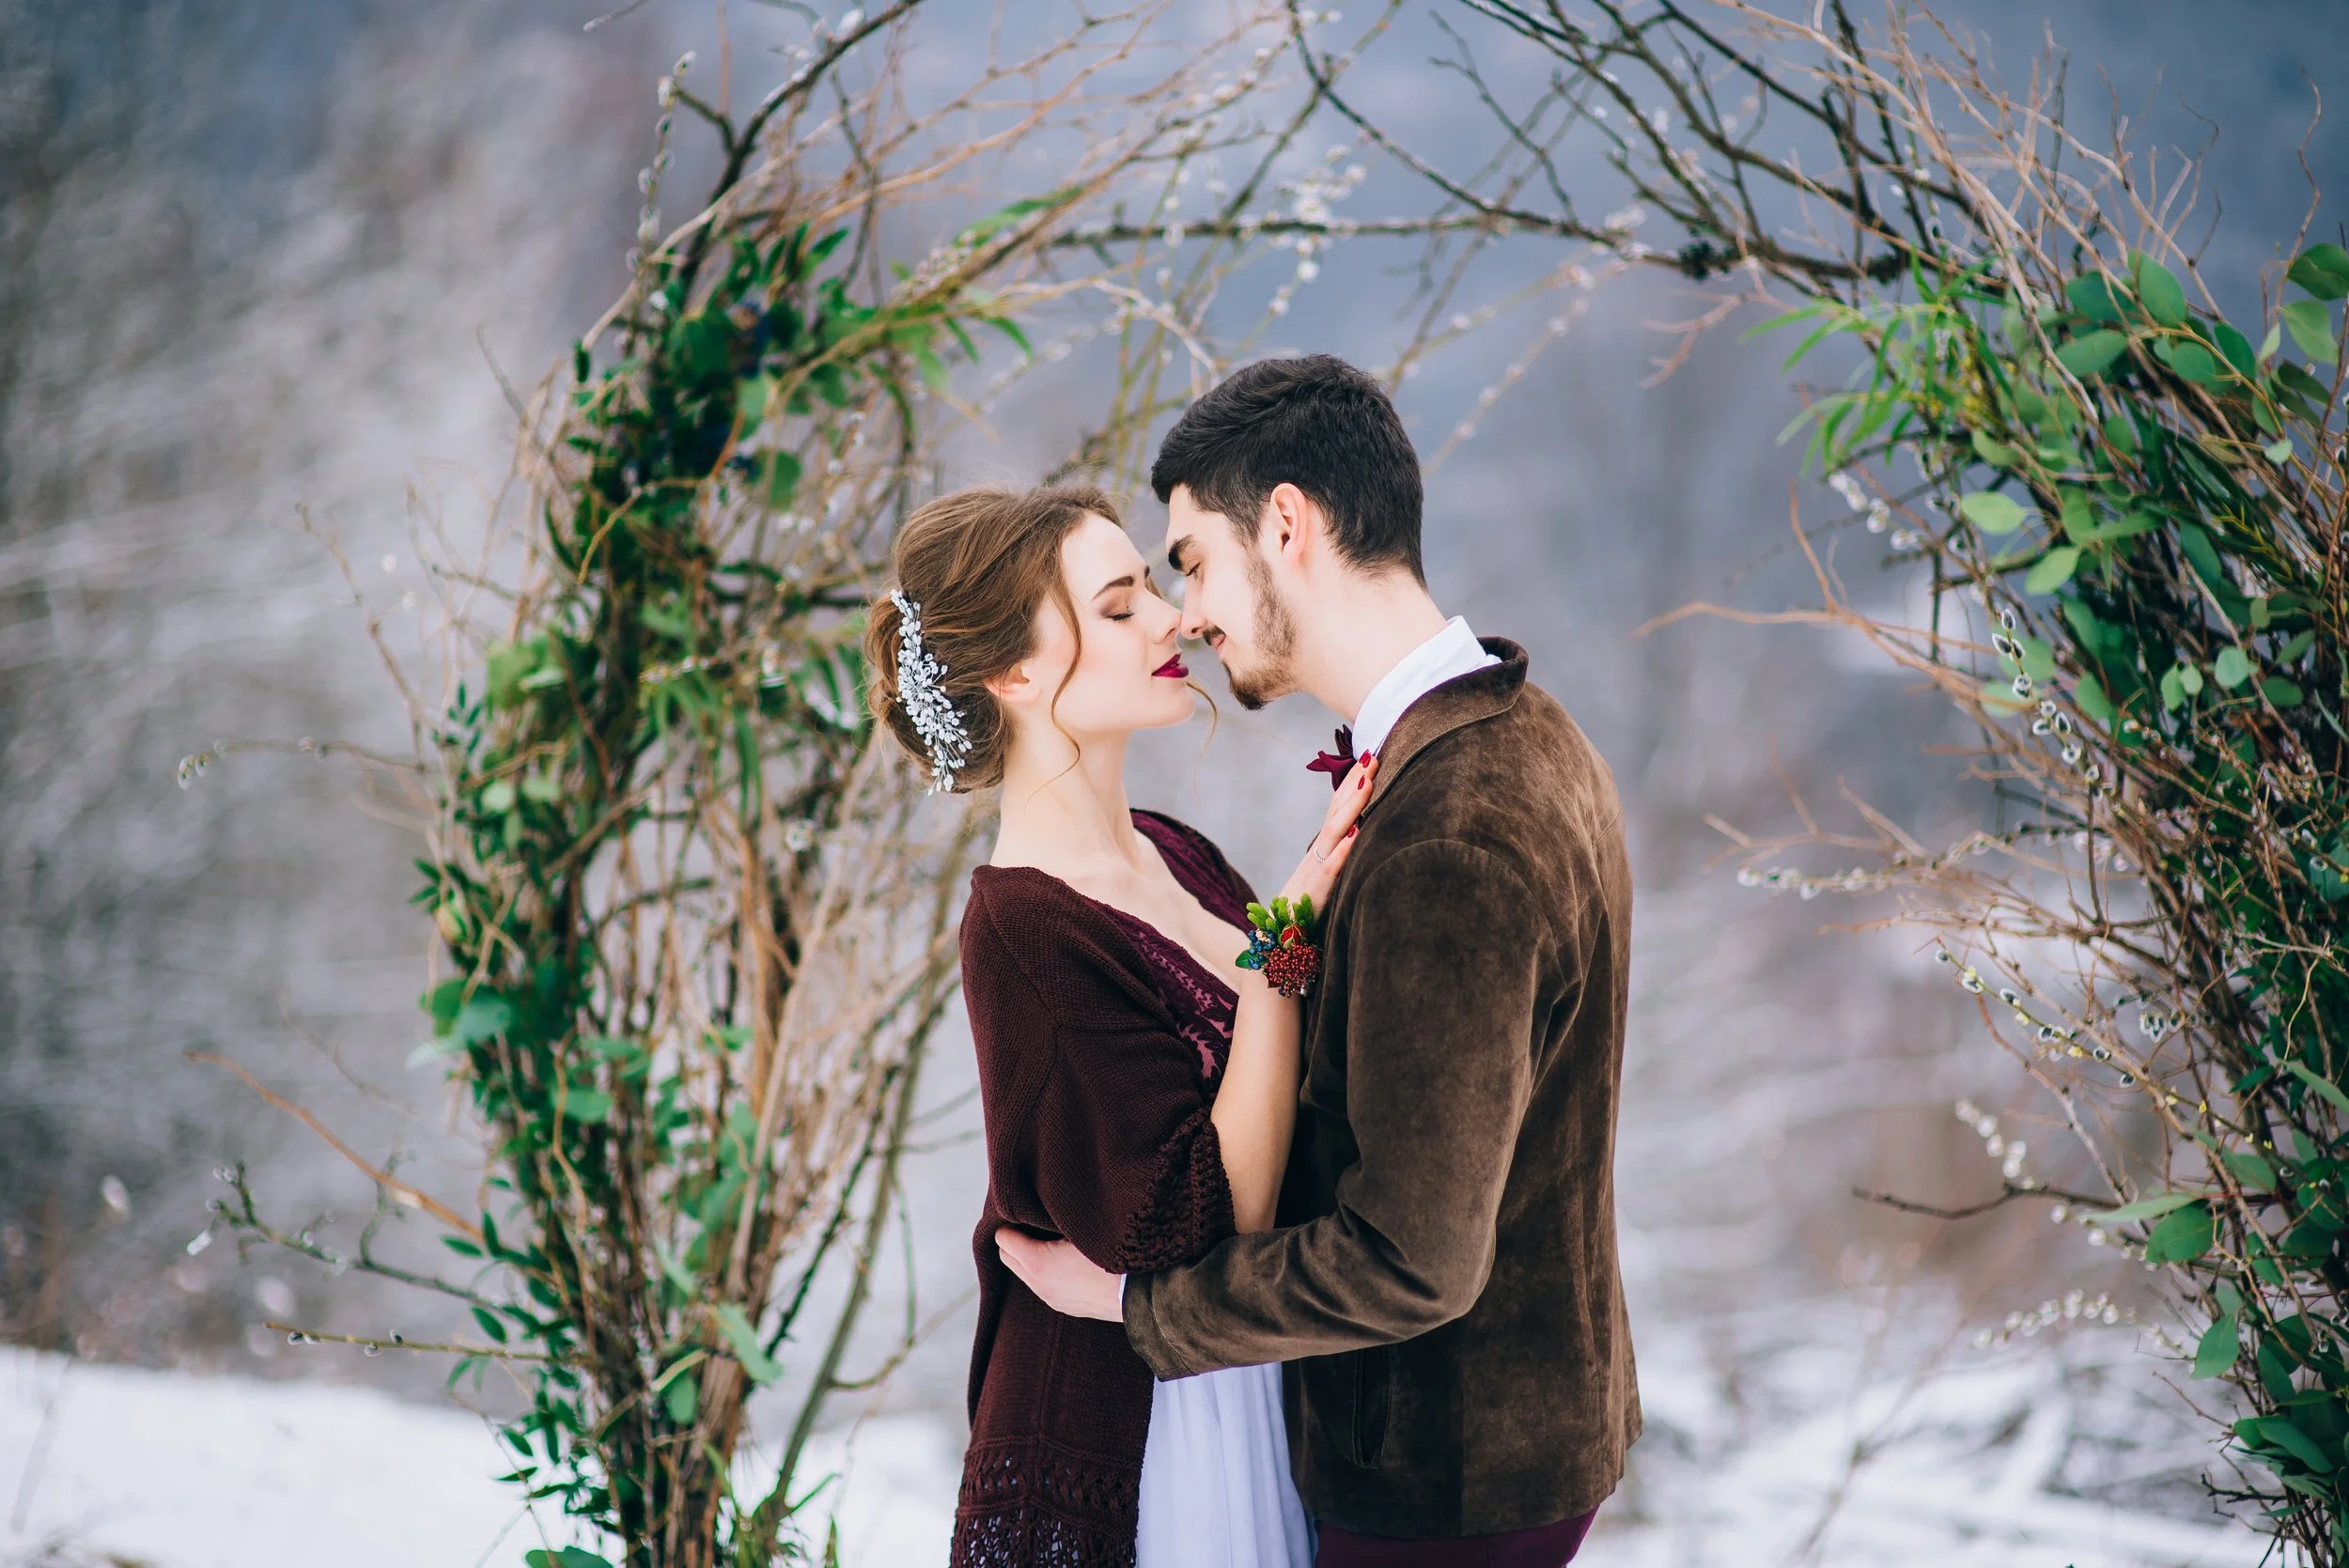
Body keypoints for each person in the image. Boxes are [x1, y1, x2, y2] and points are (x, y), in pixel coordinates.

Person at [995, 355, 1641, 1568]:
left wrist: (1136, 1306)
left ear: (1285, 524)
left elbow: (1408, 1259)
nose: (1188, 615)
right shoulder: (1518, 728)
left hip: (1441, 1474)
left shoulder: (1447, 829)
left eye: (1191, 561)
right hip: (1514, 1432)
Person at [864, 482, 1376, 1567]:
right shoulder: (1025, 928)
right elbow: (1210, 1210)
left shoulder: (1168, 846)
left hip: (1251, 1370)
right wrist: (1281, 949)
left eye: (1151, 586)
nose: (1172, 618)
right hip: (1159, 1436)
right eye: (1117, 606)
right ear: (1015, 676)